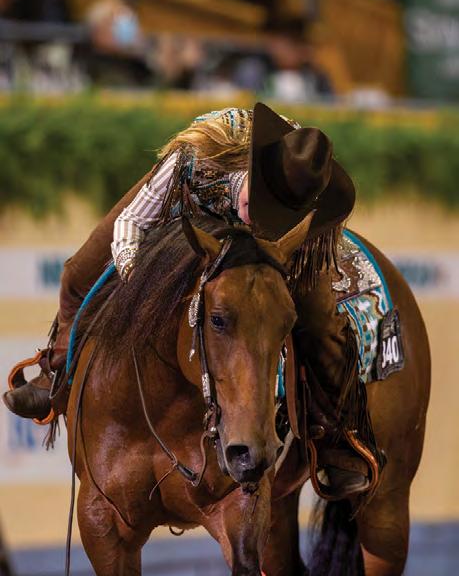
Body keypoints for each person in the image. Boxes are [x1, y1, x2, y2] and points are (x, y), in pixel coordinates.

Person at [3, 103, 381, 499]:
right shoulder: (197, 157)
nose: (260, 218)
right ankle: (56, 370)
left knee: (321, 321)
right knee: (79, 271)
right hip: (188, 212)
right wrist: (137, 273)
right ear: (251, 171)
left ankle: (336, 435)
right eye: (261, 202)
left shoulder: (305, 195)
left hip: (272, 253)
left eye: (276, 212)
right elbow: (132, 222)